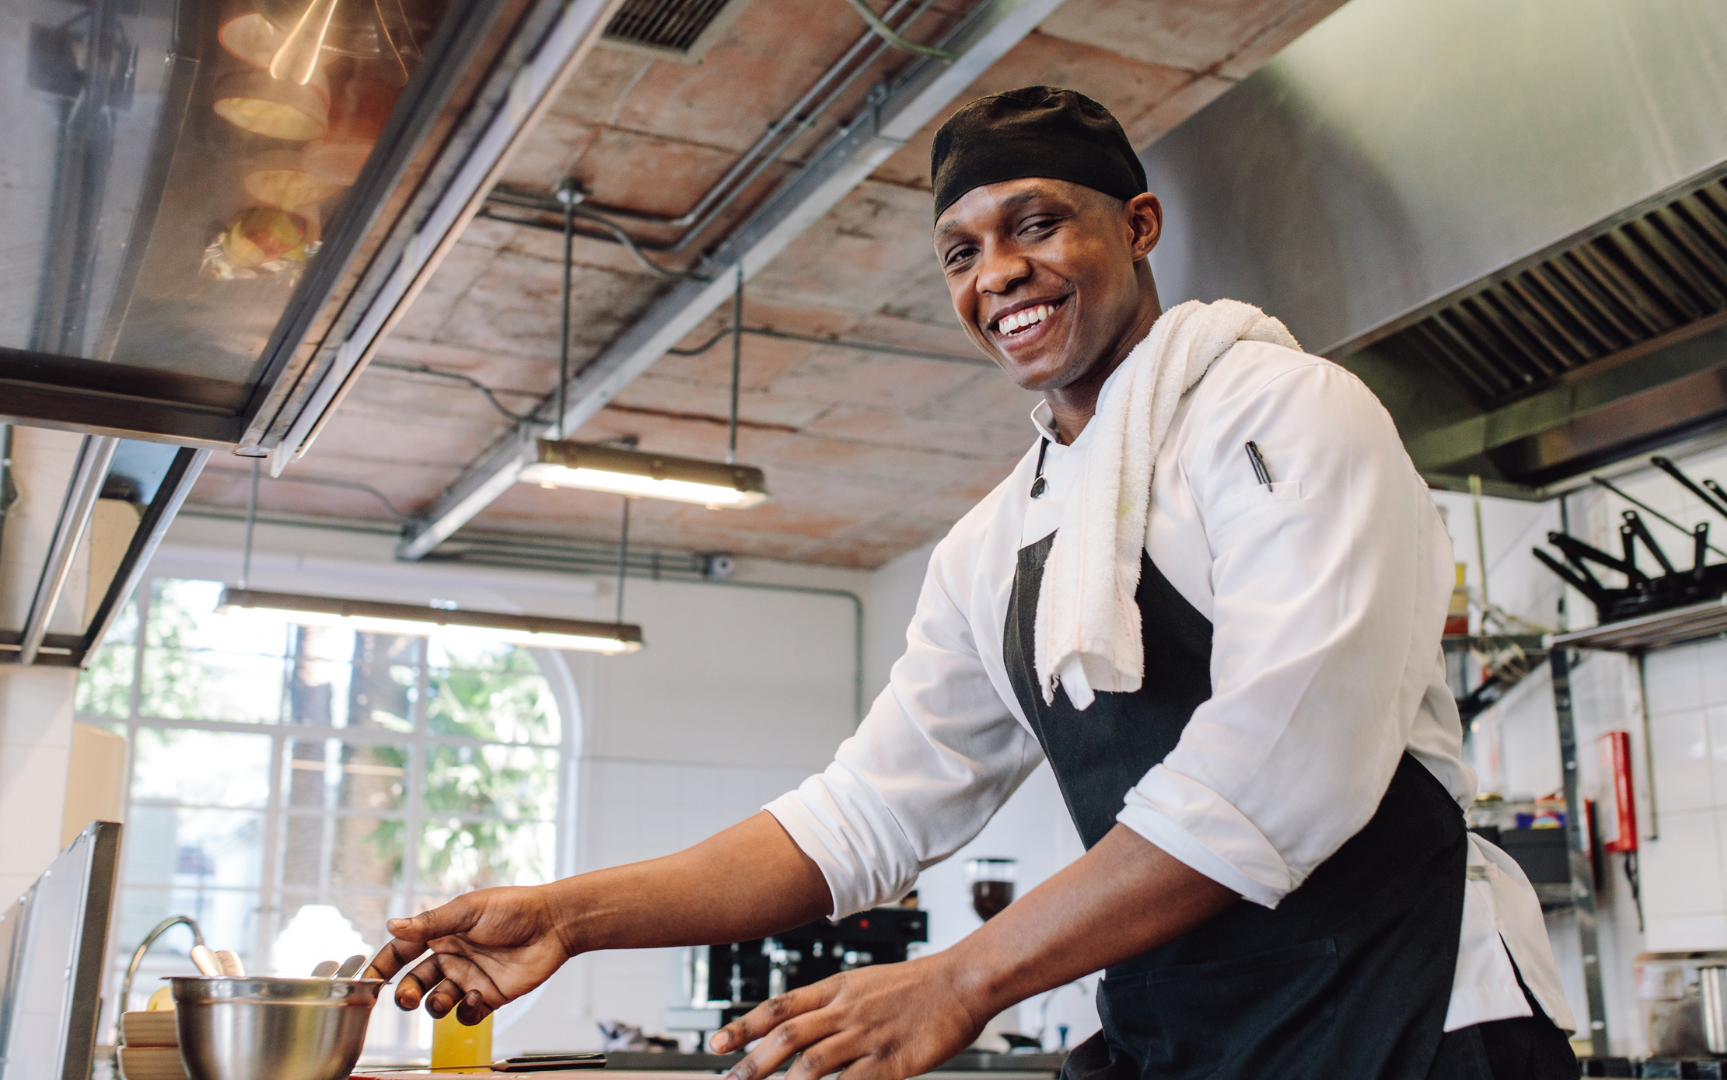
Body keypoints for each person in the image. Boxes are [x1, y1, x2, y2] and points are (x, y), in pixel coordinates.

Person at [369, 86, 1578, 1080]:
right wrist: (573, 917)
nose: (997, 272)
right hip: (1191, 1034)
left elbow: (1280, 766)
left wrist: (964, 977)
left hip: (1411, 1017)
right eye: (963, 250)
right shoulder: (998, 542)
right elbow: (864, 816)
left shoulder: (1281, 412)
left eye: (1037, 224)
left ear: (1140, 226)